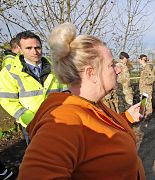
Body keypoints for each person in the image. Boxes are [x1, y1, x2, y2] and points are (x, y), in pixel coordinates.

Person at [18, 23, 145, 180]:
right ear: (91, 73)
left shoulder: (92, 103)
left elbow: (96, 133)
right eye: (111, 65)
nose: (118, 69)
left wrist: (126, 117)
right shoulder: (63, 121)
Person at [0, 31, 67, 144]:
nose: (34, 52)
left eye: (37, 47)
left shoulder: (55, 67)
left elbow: (65, 89)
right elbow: (8, 101)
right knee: (40, 157)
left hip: (59, 120)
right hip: (32, 123)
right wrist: (29, 118)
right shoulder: (9, 72)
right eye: (29, 48)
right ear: (20, 50)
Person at [138, 54, 154, 119]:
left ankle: (148, 115)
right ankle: (142, 115)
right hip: (143, 89)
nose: (138, 60)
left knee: (147, 102)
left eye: (139, 59)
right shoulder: (143, 68)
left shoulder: (147, 67)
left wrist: (145, 82)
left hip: (147, 89)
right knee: (143, 102)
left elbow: (152, 78)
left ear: (142, 60)